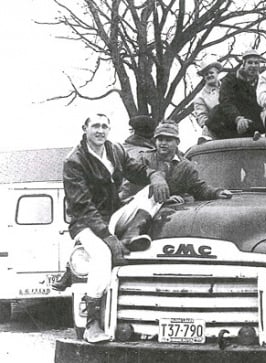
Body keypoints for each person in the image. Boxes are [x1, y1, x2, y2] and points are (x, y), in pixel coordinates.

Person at [63, 113, 171, 343]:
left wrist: (155, 175)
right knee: (102, 255)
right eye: (95, 126)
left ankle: (131, 234)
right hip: (86, 223)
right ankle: (92, 323)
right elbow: (82, 205)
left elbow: (138, 171)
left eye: (104, 126)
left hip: (113, 215)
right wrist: (108, 237)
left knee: (155, 192)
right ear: (85, 128)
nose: (100, 131)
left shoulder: (115, 150)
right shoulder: (74, 161)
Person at [122, 120, 232, 202]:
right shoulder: (144, 159)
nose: (163, 143)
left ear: (177, 142)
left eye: (168, 140)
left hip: (173, 216)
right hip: (143, 212)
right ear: (155, 141)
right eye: (160, 139)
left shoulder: (185, 166)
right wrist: (163, 199)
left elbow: (198, 188)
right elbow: (131, 191)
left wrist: (217, 192)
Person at [206, 49, 265, 139]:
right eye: (250, 62)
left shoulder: (263, 82)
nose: (253, 66)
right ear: (244, 64)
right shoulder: (230, 79)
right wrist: (237, 118)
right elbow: (226, 101)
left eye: (256, 63)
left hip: (253, 121)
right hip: (232, 121)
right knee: (216, 111)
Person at [193, 56, 223, 140]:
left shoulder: (228, 88)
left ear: (217, 72)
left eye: (211, 73)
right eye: (206, 74)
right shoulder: (200, 97)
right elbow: (202, 117)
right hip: (216, 130)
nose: (209, 75)